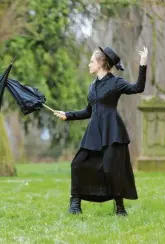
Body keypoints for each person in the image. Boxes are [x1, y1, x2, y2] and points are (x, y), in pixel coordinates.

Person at [54, 46, 148, 216]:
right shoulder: (92, 86)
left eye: (91, 61)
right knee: (78, 164)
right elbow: (89, 111)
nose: (89, 64)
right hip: (94, 133)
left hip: (112, 132)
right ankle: (75, 203)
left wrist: (143, 65)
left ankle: (120, 207)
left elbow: (138, 88)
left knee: (112, 169)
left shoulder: (116, 82)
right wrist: (68, 115)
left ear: (101, 64)